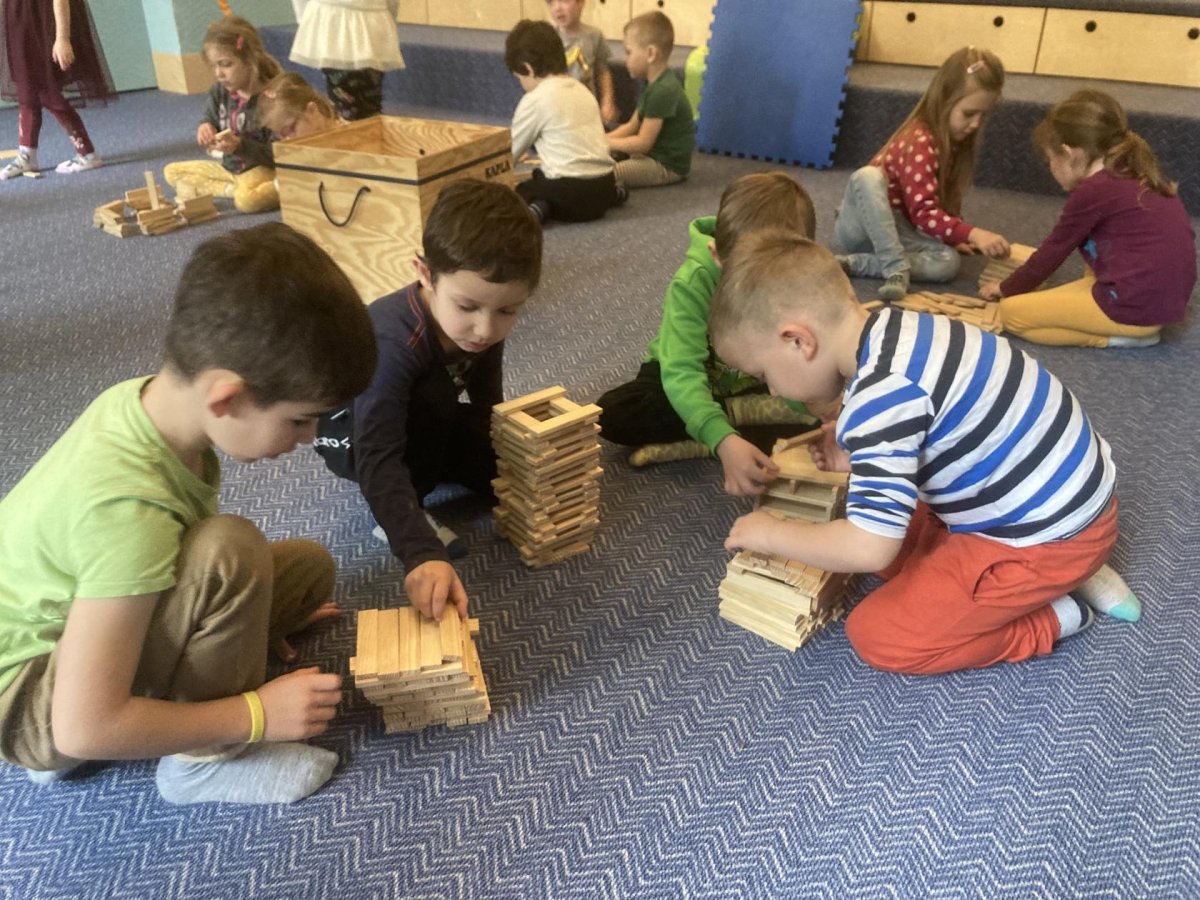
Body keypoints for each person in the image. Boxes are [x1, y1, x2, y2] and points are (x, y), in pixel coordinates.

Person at [0, 223, 378, 803]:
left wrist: (244, 627)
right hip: (32, 704)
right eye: (301, 420)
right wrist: (254, 714)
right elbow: (83, 726)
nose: (308, 438)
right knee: (231, 552)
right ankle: (200, 766)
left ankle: (137, 698)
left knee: (306, 569)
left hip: (71, 632)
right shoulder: (128, 512)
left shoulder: (156, 405)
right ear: (226, 397)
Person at [709, 229, 1141, 676]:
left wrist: (773, 533)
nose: (772, 391)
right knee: (892, 544)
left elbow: (871, 549)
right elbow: (936, 418)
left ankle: (1054, 611)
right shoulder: (898, 328)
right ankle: (1064, 573)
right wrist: (859, 451)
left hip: (1046, 539)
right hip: (1063, 499)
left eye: (763, 374)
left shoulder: (880, 402)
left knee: (879, 633)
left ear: (798, 340)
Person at [313, 180, 542, 622]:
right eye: (468, 307)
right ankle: (396, 515)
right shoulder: (394, 342)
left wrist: (507, 455)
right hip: (356, 437)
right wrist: (419, 550)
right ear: (424, 273)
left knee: (500, 463)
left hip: (425, 417)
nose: (485, 329)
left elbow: (486, 398)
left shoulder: (481, 325)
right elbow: (378, 453)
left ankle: (436, 469)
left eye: (507, 311)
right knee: (433, 400)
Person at [597, 171, 822, 495]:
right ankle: (729, 428)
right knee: (615, 413)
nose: (761, 294)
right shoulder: (694, 281)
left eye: (773, 281)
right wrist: (721, 437)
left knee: (828, 410)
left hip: (757, 382)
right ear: (717, 255)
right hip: (684, 376)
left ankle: (721, 432)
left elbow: (804, 355)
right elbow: (681, 369)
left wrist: (826, 412)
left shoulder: (796, 274)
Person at [980, 90, 1196, 348]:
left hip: (1133, 307)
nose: (1050, 168)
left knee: (1011, 313)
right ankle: (1127, 325)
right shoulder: (1129, 168)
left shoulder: (1093, 190)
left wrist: (1006, 288)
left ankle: (1117, 337)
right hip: (1161, 301)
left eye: (1050, 160)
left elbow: (1052, 253)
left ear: (1068, 153)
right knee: (1099, 238)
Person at [834, 46, 1010, 302]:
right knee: (868, 177)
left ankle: (859, 263)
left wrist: (954, 237)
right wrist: (973, 233)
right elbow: (924, 214)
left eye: (984, 115)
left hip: (900, 231)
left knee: (948, 262)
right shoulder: (919, 140)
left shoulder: (954, 143)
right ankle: (894, 267)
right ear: (944, 100)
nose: (976, 124)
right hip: (861, 226)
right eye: (969, 114)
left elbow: (943, 201)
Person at [505, 19, 622, 224]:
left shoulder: (534, 99)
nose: (522, 85)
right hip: (604, 186)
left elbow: (510, 153)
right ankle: (616, 194)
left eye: (519, 78)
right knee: (547, 175)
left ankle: (542, 206)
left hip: (569, 195)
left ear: (528, 68)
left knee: (525, 188)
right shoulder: (583, 90)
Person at [162, 16, 282, 214]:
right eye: (214, 66)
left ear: (250, 60)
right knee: (172, 172)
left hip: (262, 169)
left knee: (247, 202)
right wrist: (206, 126)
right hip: (230, 170)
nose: (218, 73)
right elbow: (210, 118)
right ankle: (234, 190)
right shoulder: (220, 91)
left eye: (226, 64)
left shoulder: (272, 98)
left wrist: (240, 146)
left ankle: (281, 186)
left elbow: (278, 155)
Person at [0, 0, 115, 179]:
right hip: (20, 24)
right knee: (27, 90)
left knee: (46, 92)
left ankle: (87, 153)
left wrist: (62, 38)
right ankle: (27, 154)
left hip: (43, 25)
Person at [605, 11, 694, 191]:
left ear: (651, 54)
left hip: (665, 166)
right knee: (602, 159)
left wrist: (607, 144)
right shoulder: (652, 84)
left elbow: (643, 143)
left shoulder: (663, 90)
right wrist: (602, 140)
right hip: (650, 155)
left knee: (606, 174)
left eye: (628, 52)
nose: (625, 59)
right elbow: (631, 126)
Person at [289, 0, 404, 121]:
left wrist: (306, 19)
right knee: (349, 102)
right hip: (345, 20)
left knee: (362, 101)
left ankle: (360, 126)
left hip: (348, 20)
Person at [545, 0, 618, 126]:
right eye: (551, 2)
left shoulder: (594, 35)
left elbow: (603, 72)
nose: (557, 8)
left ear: (581, 3)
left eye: (564, 1)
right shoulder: (547, 37)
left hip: (587, 109)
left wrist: (607, 101)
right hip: (558, 110)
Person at [259, 71, 343, 140]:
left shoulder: (347, 138)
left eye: (290, 130)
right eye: (279, 136)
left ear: (312, 110)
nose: (287, 140)